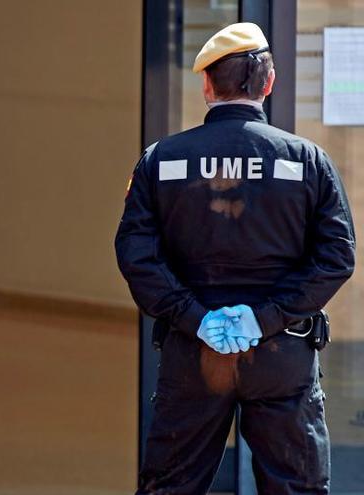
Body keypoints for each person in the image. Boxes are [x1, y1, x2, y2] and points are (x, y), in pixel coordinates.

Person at [115, 23, 355, 494]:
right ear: (268, 83)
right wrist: (264, 319)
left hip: (194, 352)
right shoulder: (307, 161)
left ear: (206, 85)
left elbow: (135, 254)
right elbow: (336, 255)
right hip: (281, 354)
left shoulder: (161, 160)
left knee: (171, 487)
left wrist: (196, 318)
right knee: (296, 487)